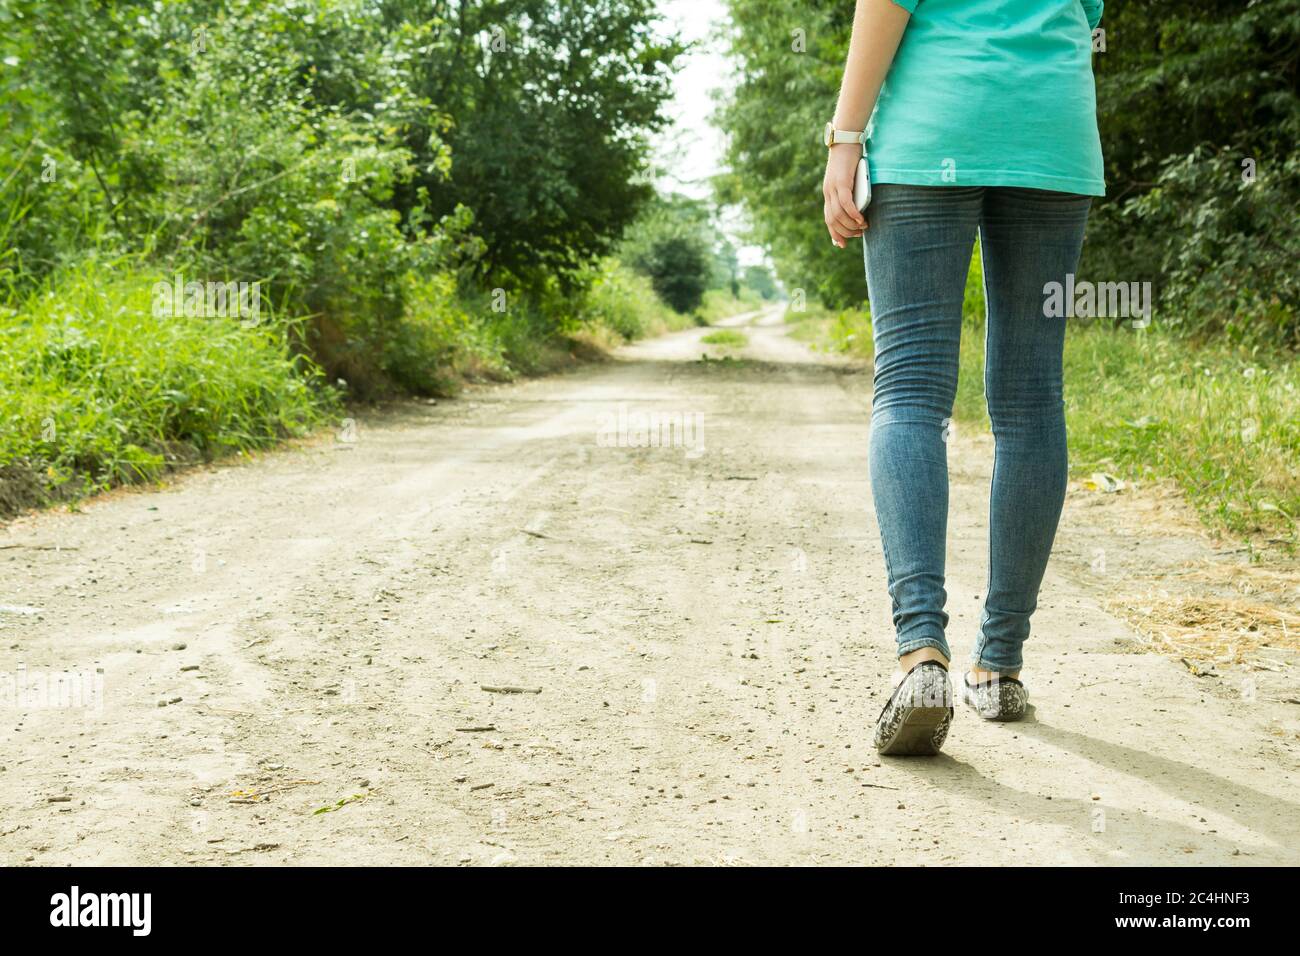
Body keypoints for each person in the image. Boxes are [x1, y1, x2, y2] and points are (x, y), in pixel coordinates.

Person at [820, 0, 1105, 754]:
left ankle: (922, 655)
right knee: (1031, 397)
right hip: (1052, 131)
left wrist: (845, 137)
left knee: (910, 389)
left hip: (931, 125)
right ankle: (1001, 664)